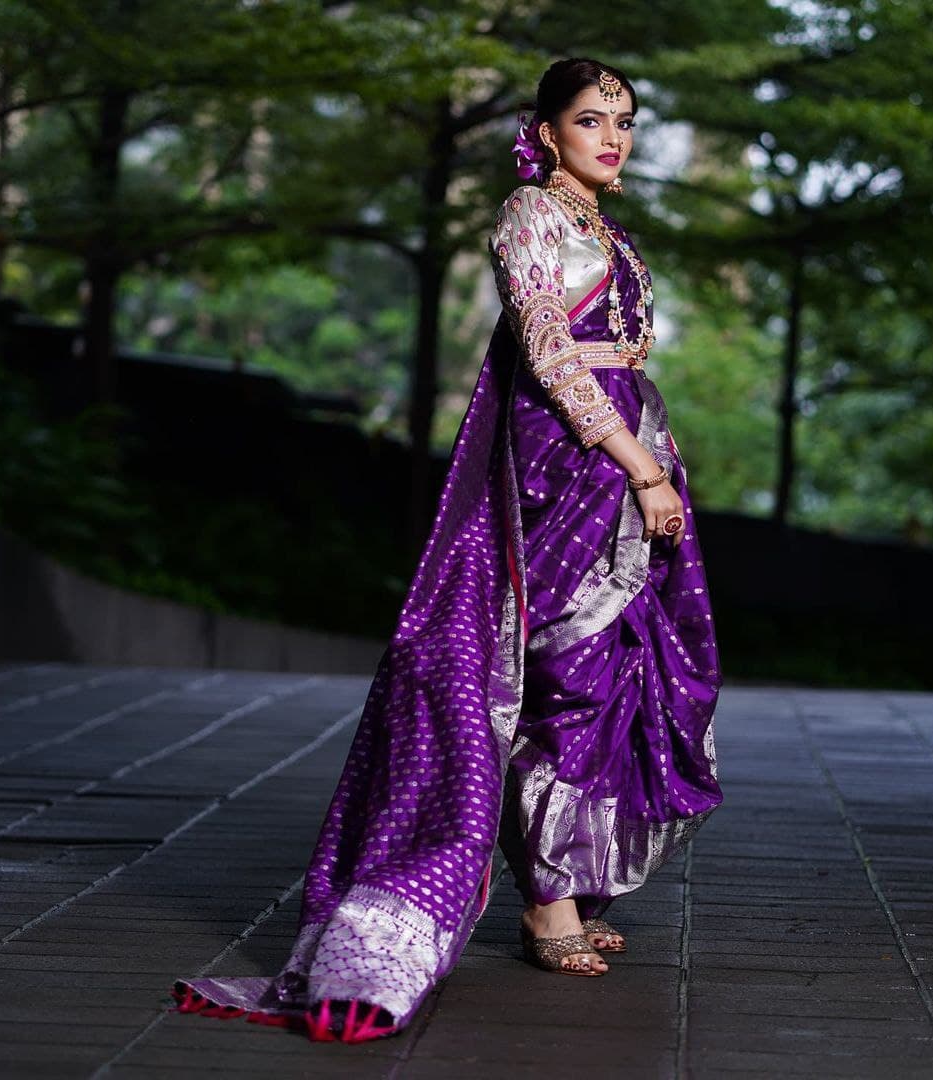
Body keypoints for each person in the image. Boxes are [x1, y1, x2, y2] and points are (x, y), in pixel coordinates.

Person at [170, 56, 722, 1043]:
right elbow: (552, 352)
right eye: (592, 119)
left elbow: (625, 355)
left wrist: (659, 468)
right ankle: (546, 899)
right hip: (569, 464)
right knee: (561, 675)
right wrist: (639, 466)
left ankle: (571, 876)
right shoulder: (529, 218)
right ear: (545, 131)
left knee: (616, 675)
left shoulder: (606, 227)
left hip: (631, 457)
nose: (614, 136)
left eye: (626, 120)